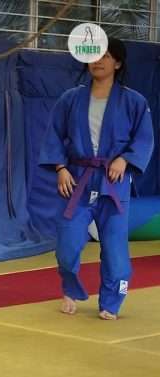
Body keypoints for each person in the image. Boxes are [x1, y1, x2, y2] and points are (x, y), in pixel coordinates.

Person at [39, 38, 154, 320]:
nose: (98, 61)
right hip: (77, 180)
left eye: (105, 56)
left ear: (118, 63)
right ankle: (70, 287)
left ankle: (111, 302)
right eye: (93, 55)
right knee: (67, 245)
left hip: (113, 183)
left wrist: (125, 159)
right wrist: (60, 168)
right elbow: (53, 134)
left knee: (115, 248)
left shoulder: (134, 101)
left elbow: (144, 138)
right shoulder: (70, 99)